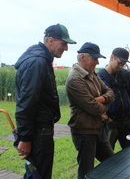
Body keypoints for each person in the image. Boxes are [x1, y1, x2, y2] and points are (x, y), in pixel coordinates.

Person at [15, 23, 76, 179]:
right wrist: (26, 138)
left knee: (36, 173)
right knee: (38, 175)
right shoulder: (38, 62)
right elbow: (27, 102)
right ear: (50, 40)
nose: (66, 48)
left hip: (41, 130)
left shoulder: (41, 60)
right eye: (63, 43)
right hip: (38, 132)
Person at [66, 42, 115, 179]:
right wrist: (103, 106)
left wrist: (99, 99)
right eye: (94, 58)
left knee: (112, 162)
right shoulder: (75, 79)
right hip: (84, 132)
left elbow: (110, 92)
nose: (97, 62)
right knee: (86, 171)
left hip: (98, 129)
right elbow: (93, 108)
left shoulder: (92, 74)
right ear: (82, 57)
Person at [98, 47, 130, 150]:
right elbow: (96, 101)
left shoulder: (126, 74)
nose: (121, 66)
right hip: (111, 122)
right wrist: (105, 117)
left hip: (127, 121)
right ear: (112, 58)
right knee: (108, 156)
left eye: (123, 64)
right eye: (119, 63)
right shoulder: (100, 77)